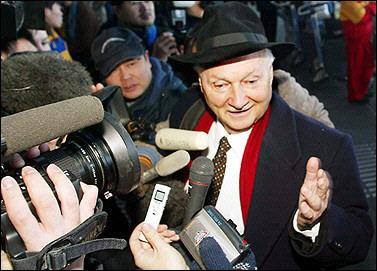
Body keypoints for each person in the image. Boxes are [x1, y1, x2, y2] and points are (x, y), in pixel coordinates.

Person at [130, 2, 374, 269]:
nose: (237, 100)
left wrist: (314, 222)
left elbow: (359, 240)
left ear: (271, 74)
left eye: (251, 81)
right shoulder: (187, 111)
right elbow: (157, 141)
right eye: (221, 84)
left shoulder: (326, 146)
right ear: (200, 84)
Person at [91, 26, 187, 127]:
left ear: (147, 59)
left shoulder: (181, 102)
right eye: (113, 70)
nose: (125, 76)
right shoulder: (105, 109)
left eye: (131, 64)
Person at [100, 1, 180, 62]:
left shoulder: (169, 30)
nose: (145, 8)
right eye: (135, 3)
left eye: (147, 1)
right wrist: (157, 60)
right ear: (117, 10)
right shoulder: (109, 43)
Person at [340, 1, 376, 103]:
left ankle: (362, 91)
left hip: (365, 39)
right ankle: (355, 96)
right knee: (356, 68)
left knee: (367, 66)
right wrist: (370, 8)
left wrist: (367, 9)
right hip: (356, 40)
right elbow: (361, 17)